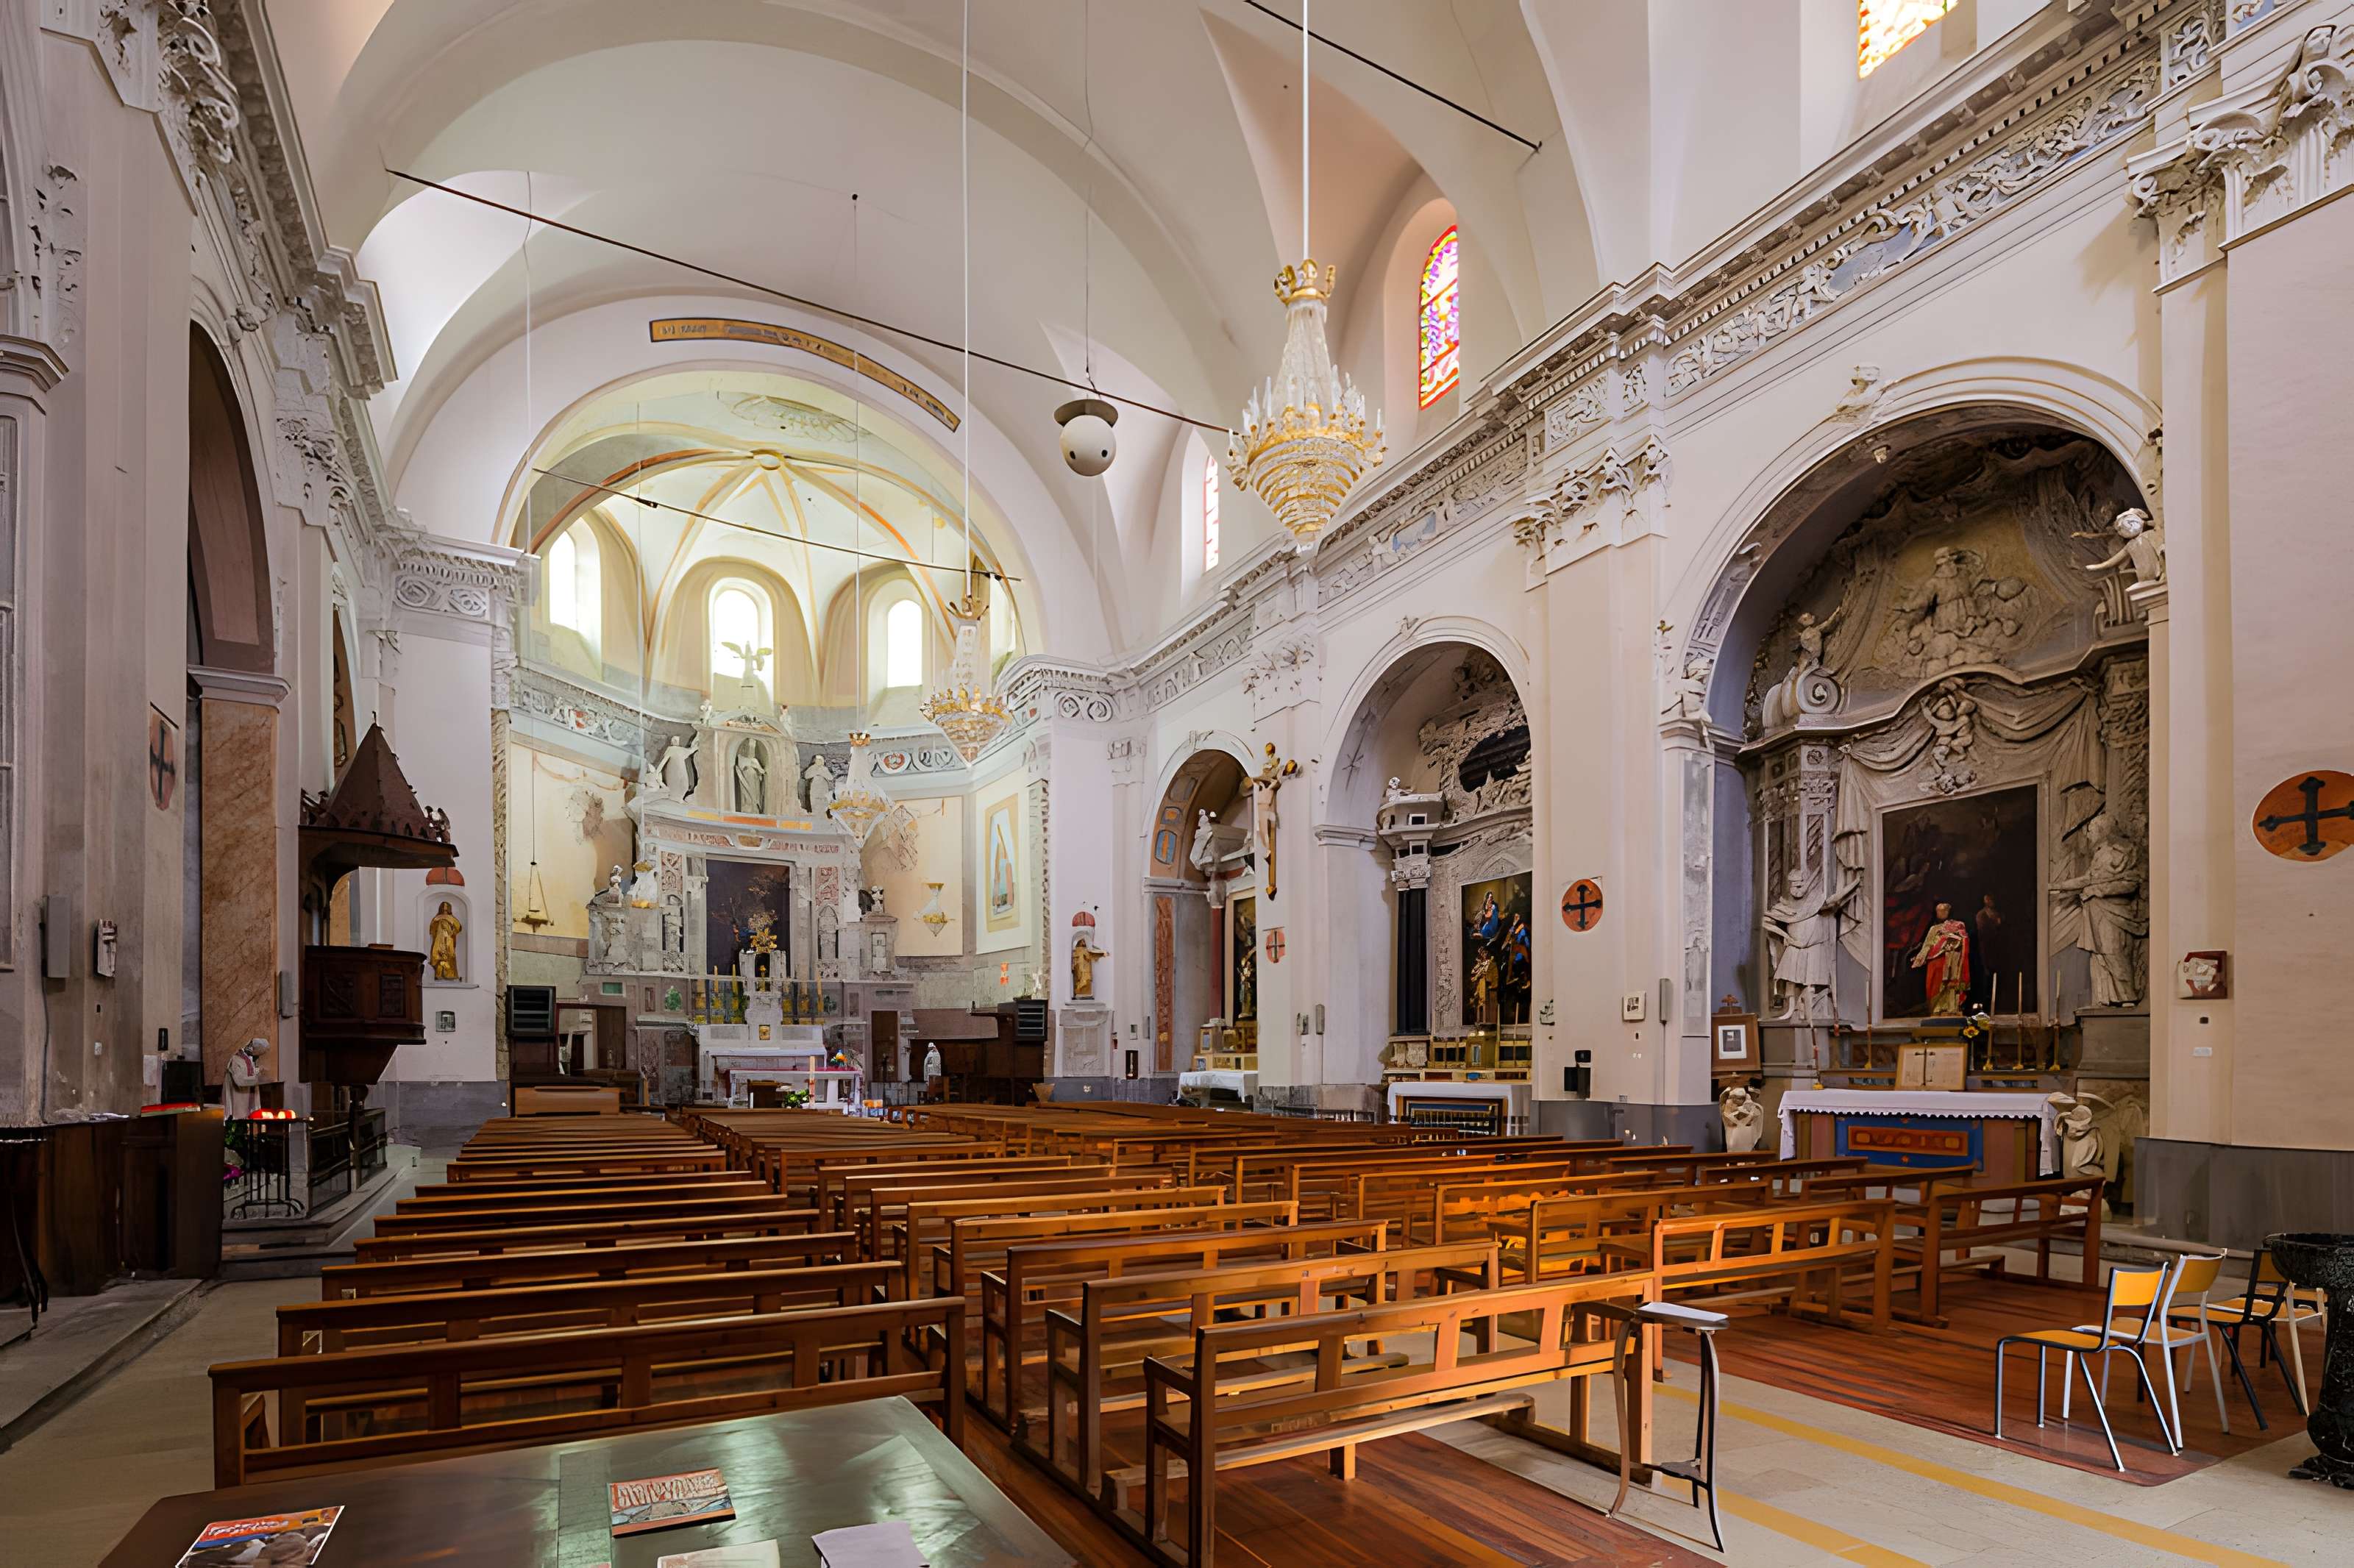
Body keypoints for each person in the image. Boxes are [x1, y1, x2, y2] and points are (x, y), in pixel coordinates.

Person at [1909, 900, 1971, 1016]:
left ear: (1949, 911)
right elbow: (1927, 945)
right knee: (1934, 985)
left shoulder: (1958, 925)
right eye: (1938, 911)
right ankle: (1936, 1010)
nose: (1940, 913)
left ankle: (1951, 1008)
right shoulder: (1934, 929)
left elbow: (1964, 939)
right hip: (1935, 961)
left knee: (1951, 984)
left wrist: (1953, 940)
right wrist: (1920, 957)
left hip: (1951, 959)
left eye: (1943, 910)